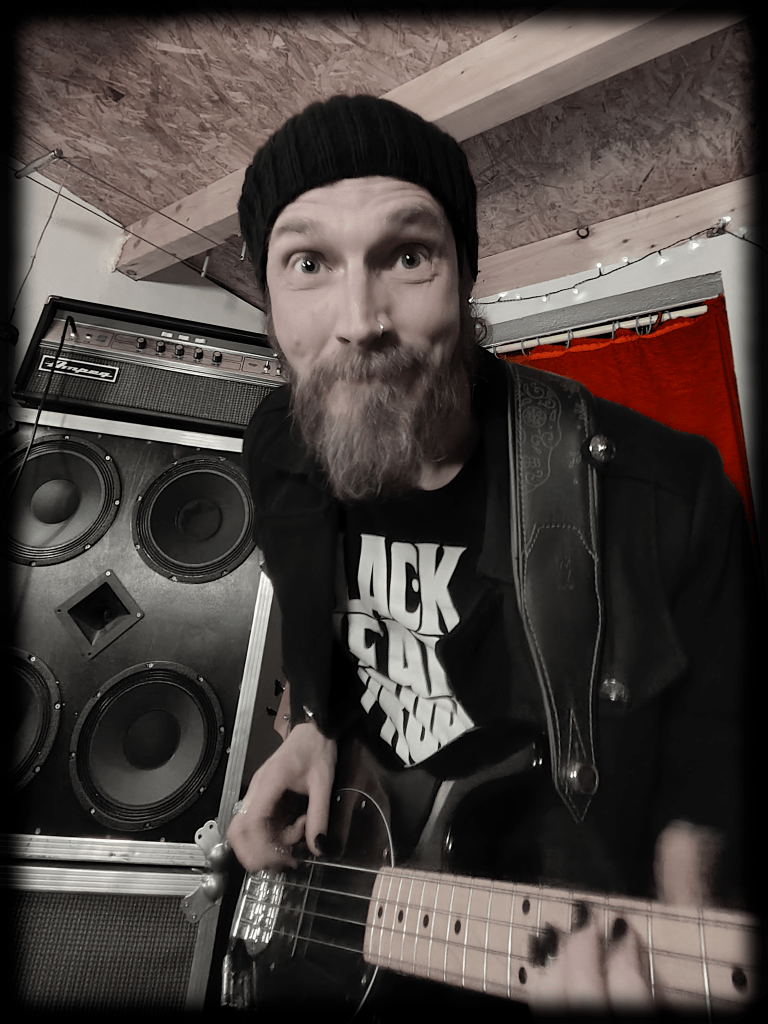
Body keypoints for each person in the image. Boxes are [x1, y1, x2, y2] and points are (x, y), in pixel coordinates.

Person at [226, 93, 759, 1014]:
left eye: (408, 255)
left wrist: (686, 924)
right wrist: (313, 720)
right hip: (362, 861)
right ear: (269, 301)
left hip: (544, 921)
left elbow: (715, 755)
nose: (359, 321)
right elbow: (305, 586)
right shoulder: (279, 440)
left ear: (465, 274)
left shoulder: (668, 498)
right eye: (308, 262)